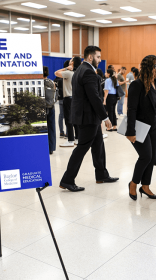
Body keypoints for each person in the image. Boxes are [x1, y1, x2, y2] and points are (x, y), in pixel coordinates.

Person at [59, 46, 118, 191]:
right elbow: (94, 98)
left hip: (87, 116)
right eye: (98, 57)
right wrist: (105, 117)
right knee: (81, 148)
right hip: (88, 117)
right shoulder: (88, 73)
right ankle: (67, 180)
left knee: (98, 145)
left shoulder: (79, 70)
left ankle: (101, 174)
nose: (100, 60)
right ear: (90, 57)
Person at [126, 55, 156, 201]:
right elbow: (131, 109)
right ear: (148, 67)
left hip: (154, 128)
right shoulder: (137, 85)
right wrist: (130, 132)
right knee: (146, 156)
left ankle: (145, 186)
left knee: (152, 157)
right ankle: (133, 183)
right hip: (140, 127)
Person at [55, 56, 81, 147]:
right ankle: (77, 139)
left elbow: (56, 73)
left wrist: (66, 68)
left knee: (68, 120)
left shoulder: (69, 73)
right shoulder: (78, 73)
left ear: (72, 63)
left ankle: (70, 140)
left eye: (71, 60)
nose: (70, 61)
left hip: (68, 98)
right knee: (75, 120)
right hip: (76, 99)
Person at [42, 66, 56, 154]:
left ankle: (43, 147)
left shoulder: (39, 83)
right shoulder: (52, 82)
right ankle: (51, 148)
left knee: (42, 128)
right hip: (51, 107)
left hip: (42, 108)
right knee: (51, 128)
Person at [54, 63, 65, 139]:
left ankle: (61, 132)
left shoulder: (55, 79)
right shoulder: (65, 77)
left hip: (60, 98)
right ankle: (68, 133)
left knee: (61, 115)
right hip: (67, 98)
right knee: (68, 116)